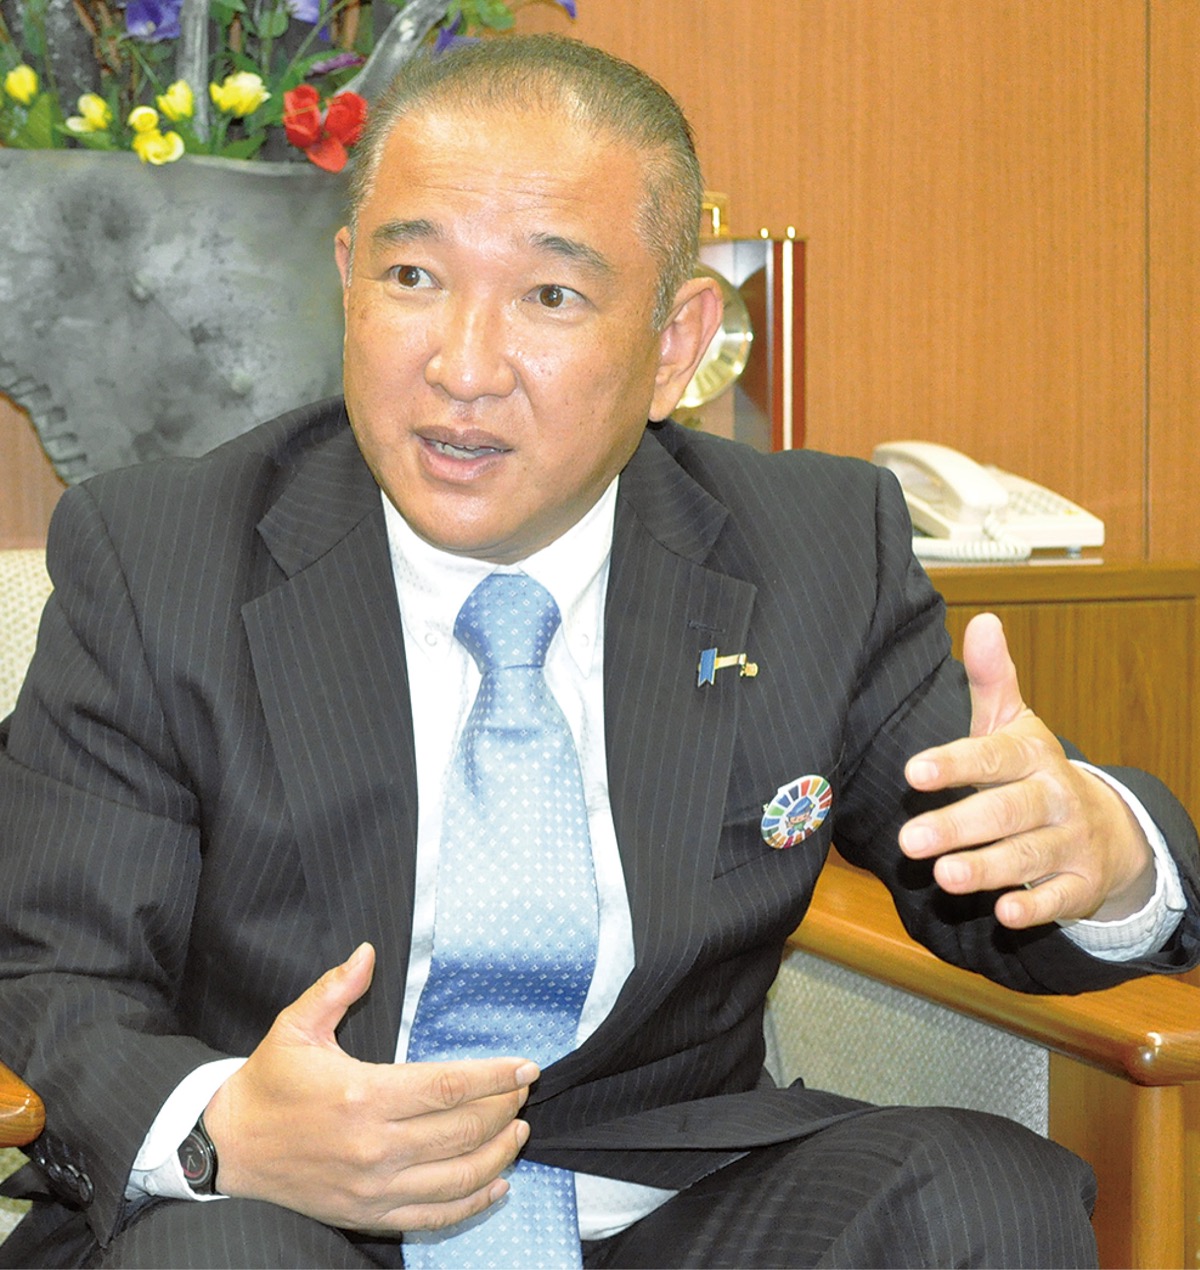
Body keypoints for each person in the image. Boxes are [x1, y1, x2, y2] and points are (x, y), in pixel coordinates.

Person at [1, 33, 1197, 1270]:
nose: (463, 367)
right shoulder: (162, 557)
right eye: (413, 276)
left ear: (676, 344)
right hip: (284, 1215)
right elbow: (52, 973)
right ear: (348, 280)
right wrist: (220, 1135)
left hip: (663, 1205)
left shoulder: (812, 552)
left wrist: (1103, 856)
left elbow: (990, 866)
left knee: (981, 1198)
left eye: (551, 296)